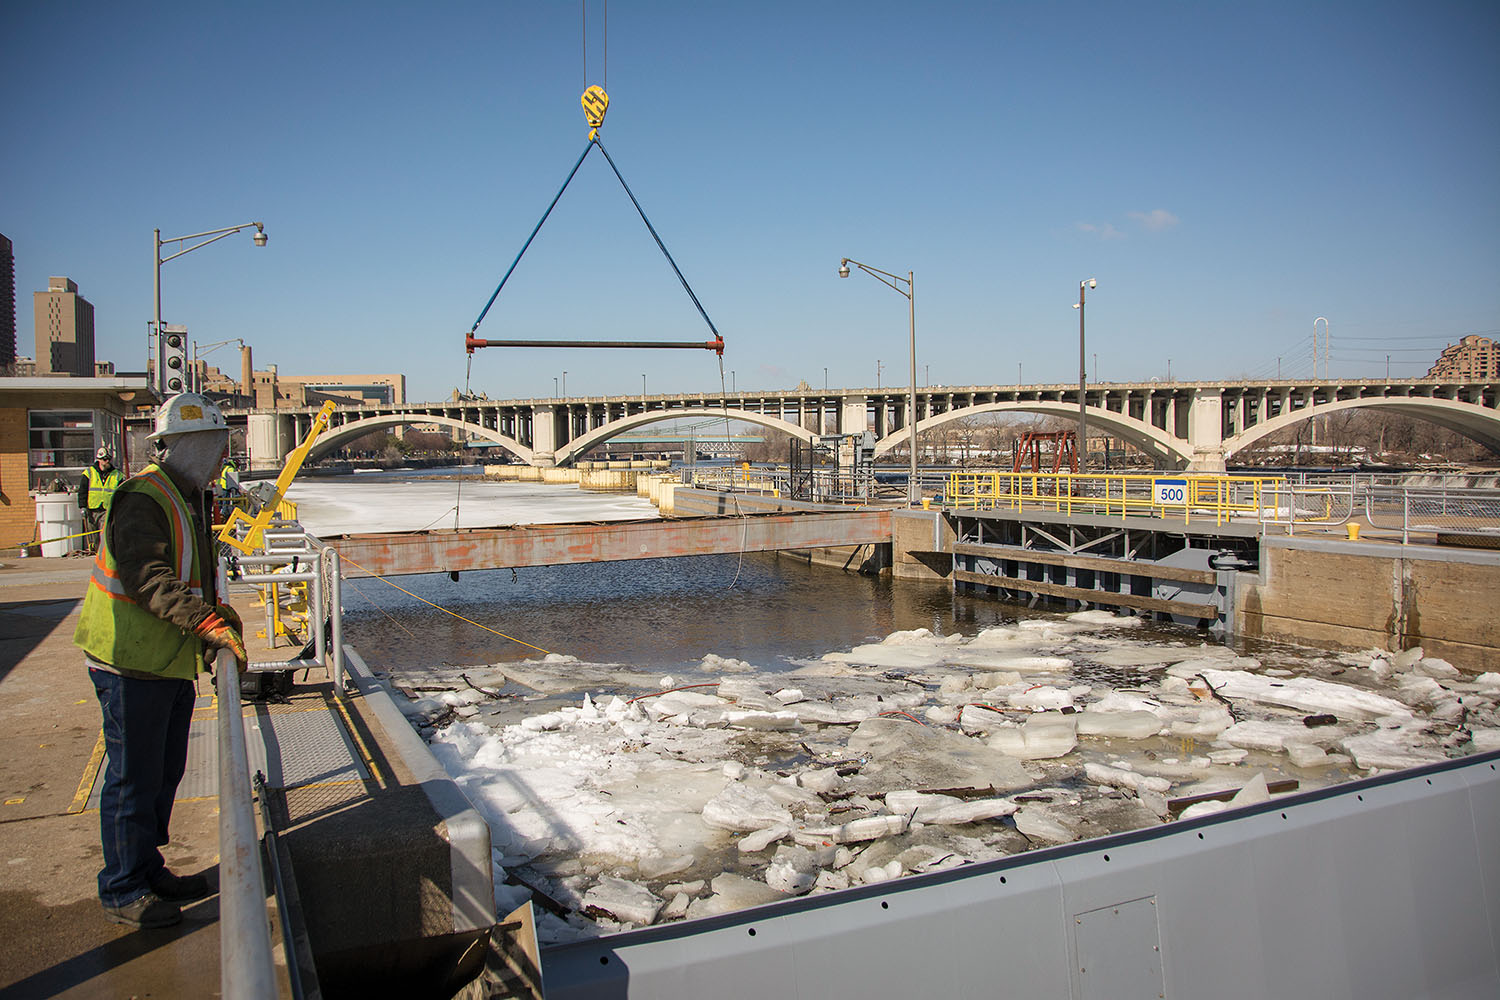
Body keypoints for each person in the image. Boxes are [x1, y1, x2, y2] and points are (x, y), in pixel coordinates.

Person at [73, 393, 249, 929]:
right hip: (128, 662)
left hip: (167, 662)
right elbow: (148, 578)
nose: (225, 458)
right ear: (190, 446)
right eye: (219, 446)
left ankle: (149, 870)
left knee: (165, 772)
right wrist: (205, 623)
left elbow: (188, 570)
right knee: (132, 779)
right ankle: (123, 888)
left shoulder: (186, 495)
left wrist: (216, 612)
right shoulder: (143, 498)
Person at [77, 448, 123, 555]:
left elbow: (121, 493)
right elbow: (83, 491)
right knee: (93, 535)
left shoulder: (117, 475)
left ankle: (104, 554)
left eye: (107, 459)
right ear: (99, 459)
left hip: (107, 509)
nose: (106, 461)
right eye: (103, 459)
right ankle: (97, 553)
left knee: (104, 533)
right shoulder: (89, 473)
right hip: (91, 509)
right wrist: (82, 507)